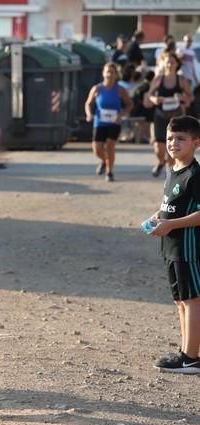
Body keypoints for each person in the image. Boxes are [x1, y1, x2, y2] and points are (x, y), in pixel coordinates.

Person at [148, 116, 200, 374]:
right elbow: (170, 206)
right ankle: (185, 351)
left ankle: (191, 358)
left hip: (188, 249)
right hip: (170, 246)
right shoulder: (173, 171)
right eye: (170, 138)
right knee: (180, 300)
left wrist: (172, 224)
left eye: (181, 138)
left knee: (192, 299)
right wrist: (158, 217)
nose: (173, 143)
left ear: (196, 143)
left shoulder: (195, 174)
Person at [145, 50, 194, 177]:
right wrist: (154, 99)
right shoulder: (158, 79)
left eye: (172, 62)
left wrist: (182, 97)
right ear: (163, 63)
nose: (170, 65)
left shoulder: (181, 80)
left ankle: (170, 174)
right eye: (167, 62)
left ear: (176, 64)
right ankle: (161, 161)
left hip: (175, 117)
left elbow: (190, 97)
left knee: (173, 147)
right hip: (160, 115)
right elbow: (149, 95)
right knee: (158, 148)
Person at [84, 63, 133, 182]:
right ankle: (105, 161)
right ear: (103, 73)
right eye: (107, 72)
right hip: (99, 122)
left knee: (110, 146)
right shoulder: (97, 88)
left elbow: (130, 104)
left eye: (112, 72)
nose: (109, 74)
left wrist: (121, 115)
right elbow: (88, 103)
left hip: (114, 122)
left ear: (116, 74)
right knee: (97, 149)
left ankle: (109, 172)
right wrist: (89, 114)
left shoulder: (120, 90)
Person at [131, 70, 156, 143]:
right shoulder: (147, 87)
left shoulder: (140, 86)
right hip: (142, 111)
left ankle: (140, 137)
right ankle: (146, 138)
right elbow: (146, 103)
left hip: (135, 110)